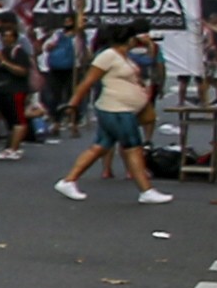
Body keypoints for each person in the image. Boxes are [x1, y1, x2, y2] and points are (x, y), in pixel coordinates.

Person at [58, 27, 168, 205]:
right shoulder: (107, 55)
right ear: (129, 39)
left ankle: (68, 181)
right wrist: (73, 103)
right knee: (133, 147)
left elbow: (150, 59)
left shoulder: (125, 56)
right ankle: (146, 190)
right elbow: (88, 81)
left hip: (123, 108)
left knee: (100, 146)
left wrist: (148, 44)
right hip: (116, 108)